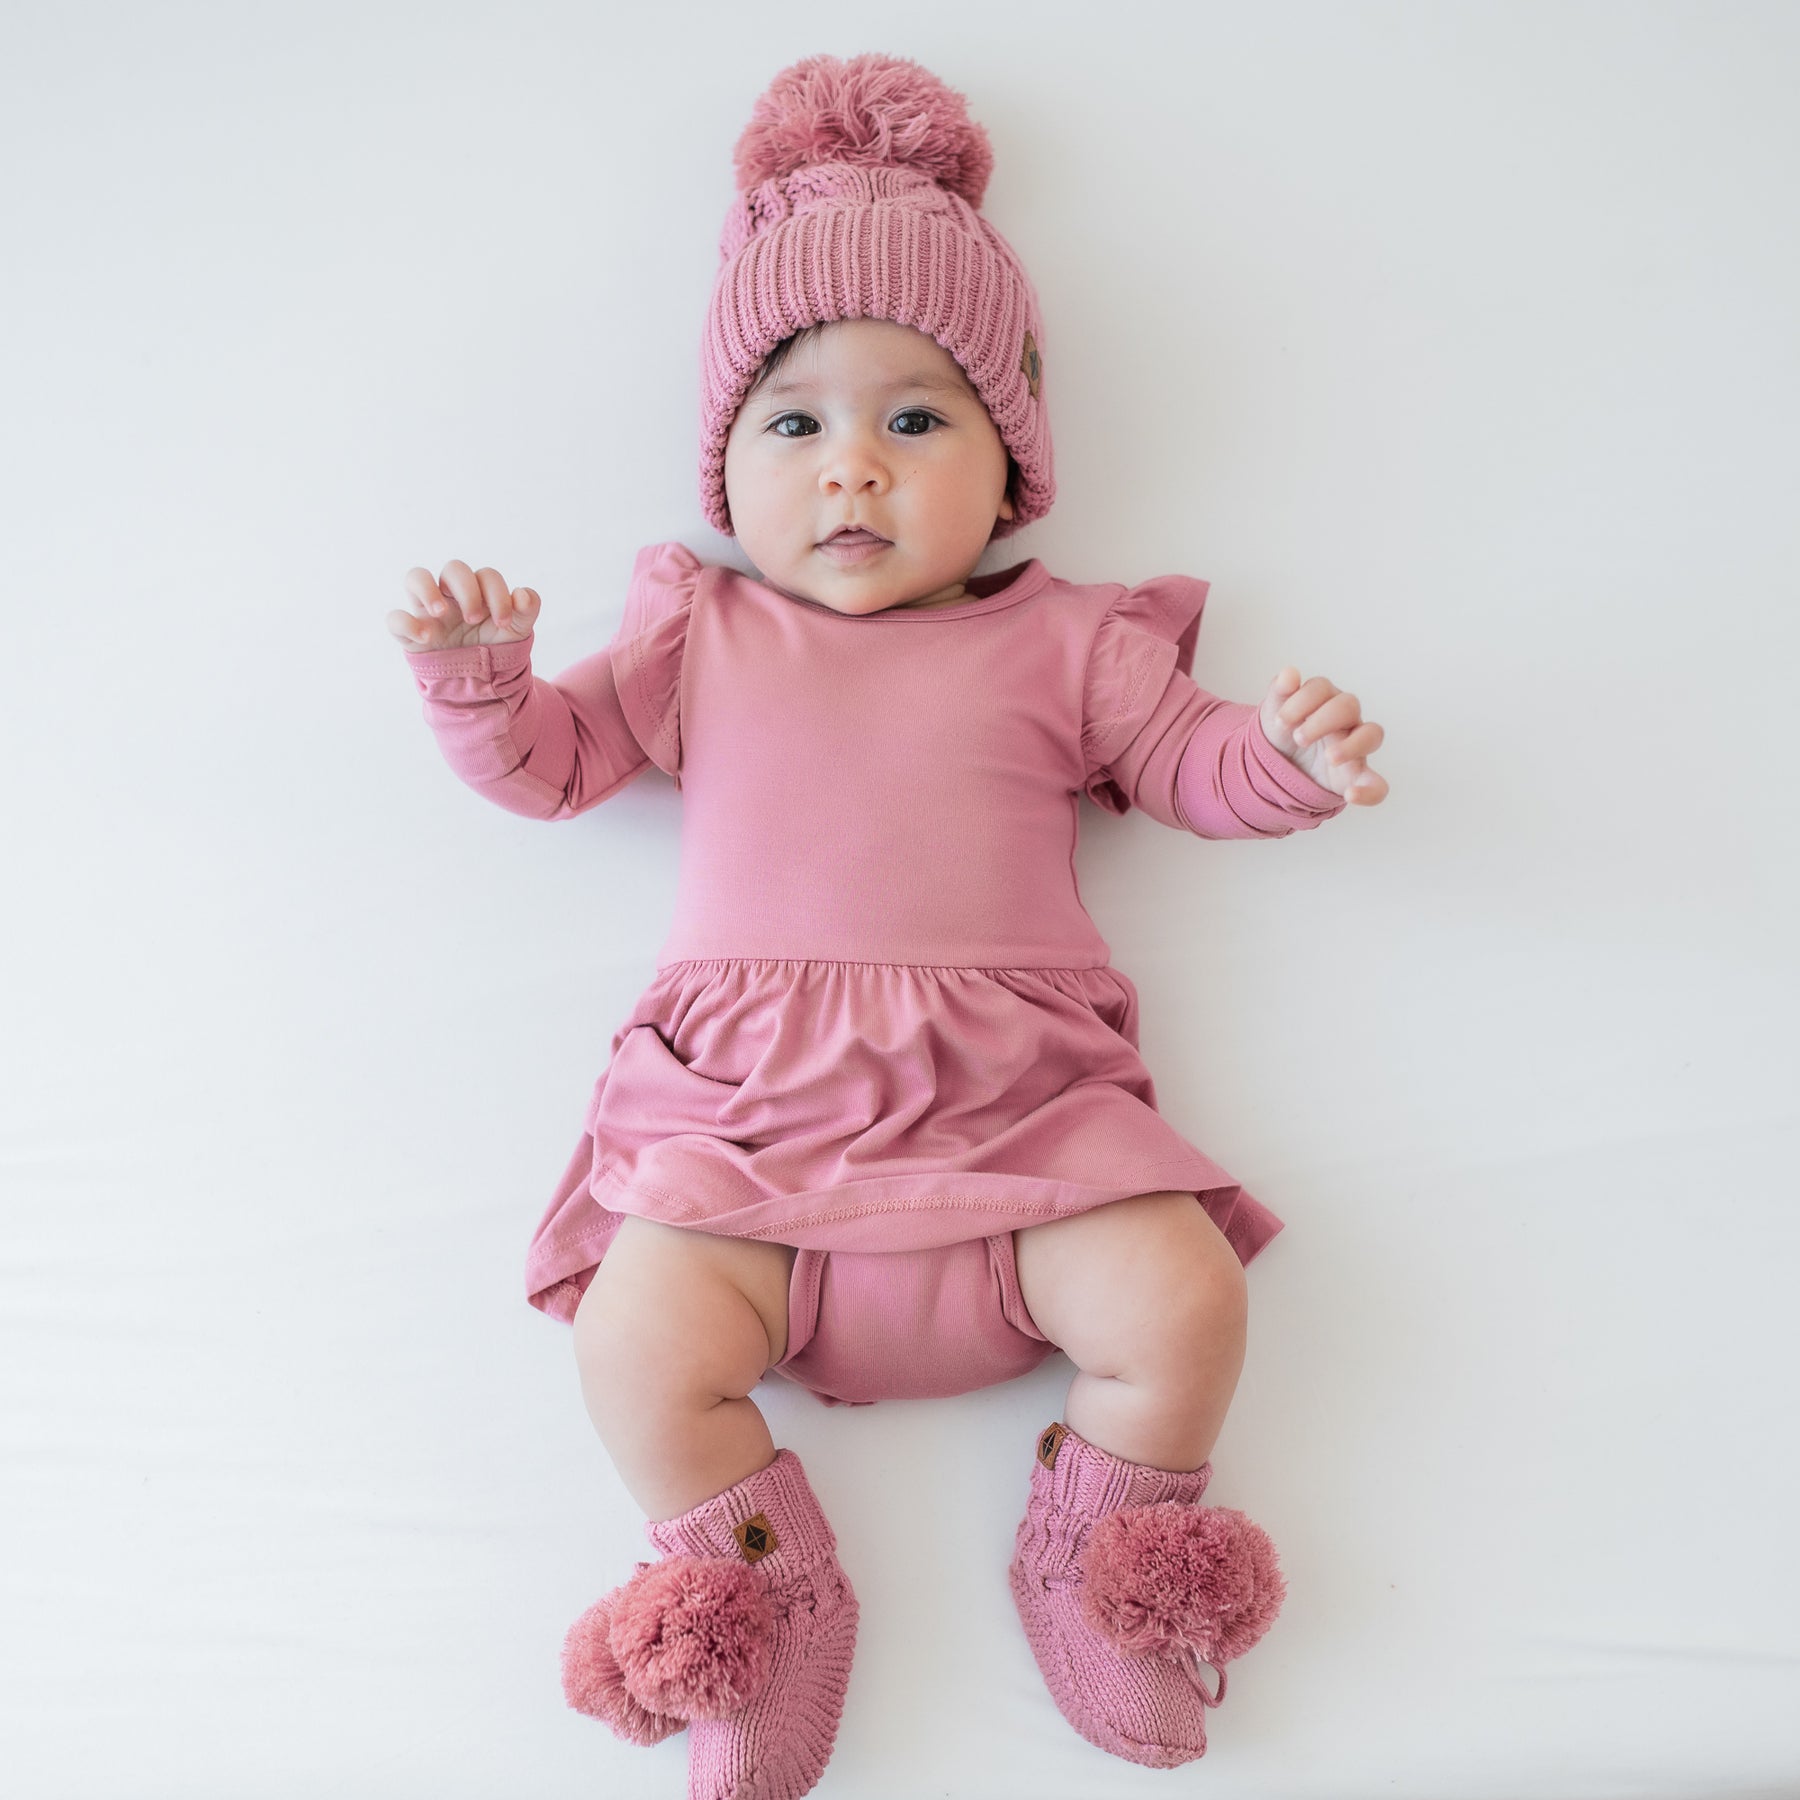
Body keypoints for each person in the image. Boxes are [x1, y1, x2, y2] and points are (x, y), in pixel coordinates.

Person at [387, 52, 1387, 1799]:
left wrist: (1283, 764)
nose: (852, 470)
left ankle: (1107, 1561)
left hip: (1021, 1131)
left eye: (915, 422)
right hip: (750, 1138)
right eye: (796, 426)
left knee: (1185, 1297)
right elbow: (557, 766)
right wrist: (481, 690)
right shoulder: (700, 637)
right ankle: (758, 1600)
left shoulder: (1070, 643)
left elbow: (1186, 760)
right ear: (726, 469)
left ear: (1012, 465)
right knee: (636, 1344)